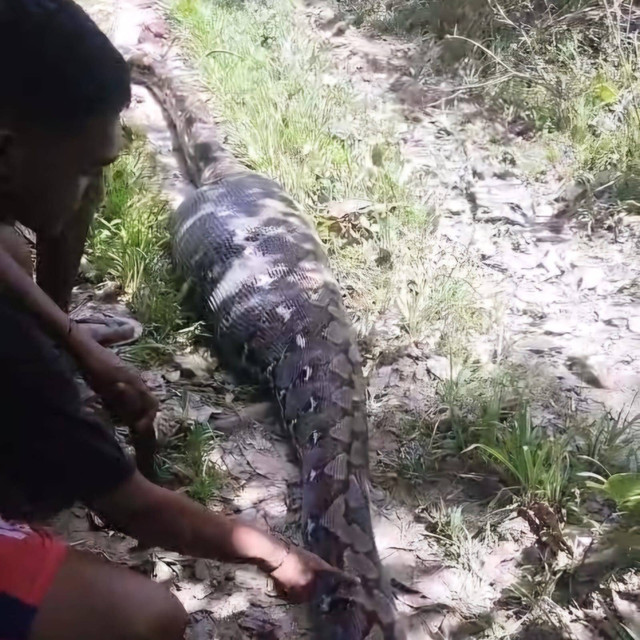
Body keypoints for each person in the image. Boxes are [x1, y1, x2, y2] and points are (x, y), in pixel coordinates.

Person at [0, 2, 342, 639]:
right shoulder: (11, 351)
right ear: (6, 154)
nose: (93, 192)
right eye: (84, 170)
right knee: (147, 618)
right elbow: (132, 505)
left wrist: (78, 346)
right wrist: (274, 551)